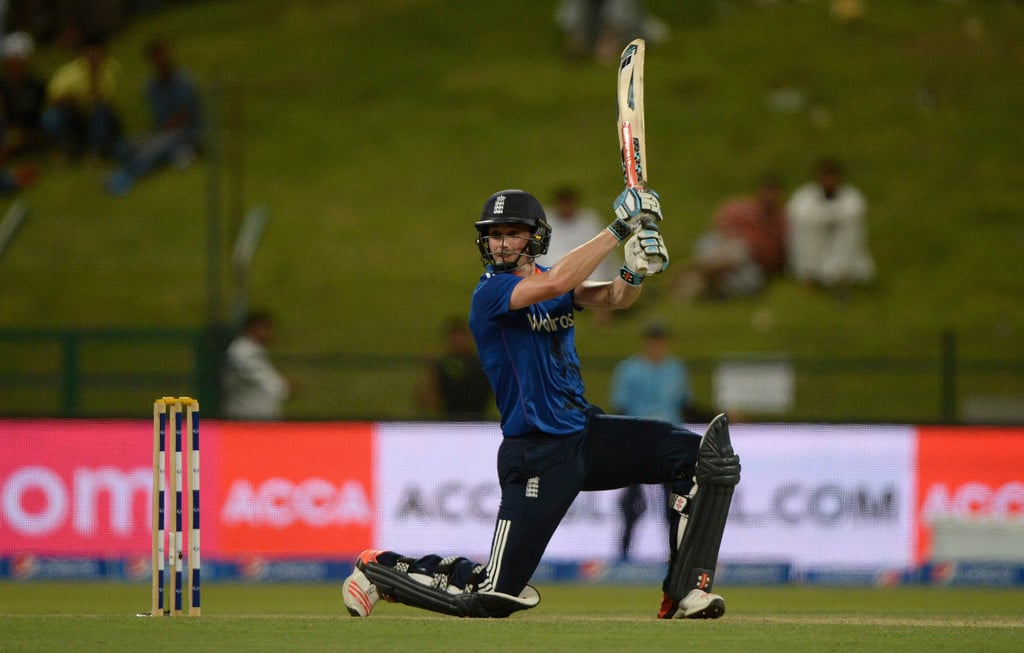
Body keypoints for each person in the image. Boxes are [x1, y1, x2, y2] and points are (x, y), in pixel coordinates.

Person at [342, 188, 740, 620]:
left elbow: (612, 299)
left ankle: (685, 593)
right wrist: (621, 228)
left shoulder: (554, 278)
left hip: (585, 434)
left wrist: (634, 271)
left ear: (535, 238)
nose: (501, 243)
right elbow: (554, 284)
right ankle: (379, 569)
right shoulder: (491, 293)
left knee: (701, 458)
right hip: (536, 453)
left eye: (513, 233)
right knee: (492, 595)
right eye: (494, 235)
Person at [610, 321, 718, 561]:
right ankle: (624, 554)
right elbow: (621, 408)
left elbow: (685, 405)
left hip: (670, 442)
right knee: (632, 502)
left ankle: (676, 553)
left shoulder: (675, 369)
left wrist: (717, 415)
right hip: (639, 441)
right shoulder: (629, 370)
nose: (657, 346)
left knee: (675, 500)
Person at [105, 37, 203, 195]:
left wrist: (154, 139)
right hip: (162, 131)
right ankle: (175, 155)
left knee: (153, 148)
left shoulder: (184, 81)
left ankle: (129, 176)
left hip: (185, 132)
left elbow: (182, 118)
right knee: (124, 146)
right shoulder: (151, 85)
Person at [673, 175, 788, 302]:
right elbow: (719, 223)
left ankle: (698, 272)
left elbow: (774, 257)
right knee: (714, 244)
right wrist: (731, 238)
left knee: (742, 258)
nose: (770, 198)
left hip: (750, 263)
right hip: (724, 247)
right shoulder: (741, 209)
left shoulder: (781, 222)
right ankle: (708, 273)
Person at [786, 158, 875, 293]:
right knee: (803, 228)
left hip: (840, 242)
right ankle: (810, 274)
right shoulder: (805, 197)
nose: (829, 181)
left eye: (832, 177)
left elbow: (854, 213)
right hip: (815, 244)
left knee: (850, 229)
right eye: (825, 177)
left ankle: (841, 274)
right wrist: (828, 218)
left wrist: (826, 218)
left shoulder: (851, 197)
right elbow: (798, 213)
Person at [538, 186, 616, 324]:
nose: (566, 208)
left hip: (584, 266)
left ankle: (602, 315)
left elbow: (603, 250)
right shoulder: (545, 221)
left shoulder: (589, 220)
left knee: (596, 269)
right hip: (556, 266)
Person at [41, 33, 122, 160]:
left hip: (95, 116)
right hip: (73, 114)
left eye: (97, 51)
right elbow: (55, 96)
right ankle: (64, 149)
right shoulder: (70, 72)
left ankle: (95, 151)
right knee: (51, 117)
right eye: (90, 51)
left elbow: (106, 99)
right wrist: (76, 101)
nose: (94, 55)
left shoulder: (110, 69)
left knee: (101, 112)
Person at [417, 315, 492, 420]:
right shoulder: (442, 366)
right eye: (455, 337)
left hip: (477, 424)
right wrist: (431, 370)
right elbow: (428, 401)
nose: (458, 341)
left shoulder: (480, 365)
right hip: (451, 426)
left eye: (461, 337)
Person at [221, 309, 290, 420]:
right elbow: (263, 378)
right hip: (243, 423)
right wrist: (283, 387)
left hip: (258, 424)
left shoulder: (254, 350)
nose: (270, 333)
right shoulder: (241, 351)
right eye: (265, 328)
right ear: (252, 328)